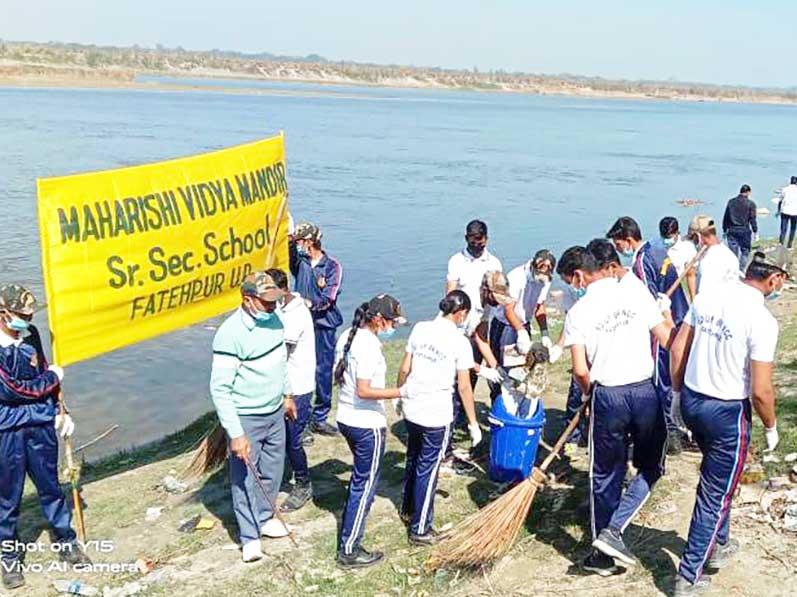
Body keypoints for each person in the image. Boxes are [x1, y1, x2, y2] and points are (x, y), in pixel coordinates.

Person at [669, 251, 786, 596]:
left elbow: (677, 349)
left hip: (692, 399)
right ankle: (688, 576)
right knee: (715, 493)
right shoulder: (762, 320)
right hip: (726, 412)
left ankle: (719, 543)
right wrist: (771, 426)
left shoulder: (708, 295)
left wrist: (676, 396)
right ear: (774, 279)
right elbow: (761, 390)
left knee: (721, 479)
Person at [557, 247, 675, 576]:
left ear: (579, 276)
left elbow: (580, 370)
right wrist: (665, 313)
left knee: (604, 473)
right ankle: (616, 530)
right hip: (643, 392)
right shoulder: (635, 294)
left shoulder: (578, 312)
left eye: (571, 281)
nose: (573, 287)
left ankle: (603, 550)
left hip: (607, 395)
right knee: (652, 465)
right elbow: (668, 340)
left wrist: (587, 395)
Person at [0, 284, 91, 590]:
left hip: (40, 426)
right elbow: (12, 391)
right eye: (20, 315)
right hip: (7, 431)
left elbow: (42, 380)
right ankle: (9, 559)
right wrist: (52, 377)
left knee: (51, 486)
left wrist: (59, 411)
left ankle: (66, 541)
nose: (26, 319)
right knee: (7, 498)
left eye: (29, 314)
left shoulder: (31, 335)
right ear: (4, 313)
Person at [209, 272, 296, 563]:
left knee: (273, 469)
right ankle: (249, 537)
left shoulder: (273, 319)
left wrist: (287, 395)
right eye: (267, 302)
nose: (273, 307)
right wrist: (236, 433)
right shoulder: (230, 334)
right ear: (248, 300)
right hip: (247, 415)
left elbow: (280, 361)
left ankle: (264, 516)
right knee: (245, 477)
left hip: (274, 410)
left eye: (275, 301)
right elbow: (220, 389)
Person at [396, 290, 483, 545]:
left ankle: (408, 509)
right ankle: (421, 528)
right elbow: (464, 387)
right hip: (437, 414)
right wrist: (473, 423)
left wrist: (399, 396)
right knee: (429, 468)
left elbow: (404, 367)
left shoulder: (421, 328)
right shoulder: (459, 342)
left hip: (413, 409)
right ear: (461, 313)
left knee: (413, 458)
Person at [333, 294, 407, 569]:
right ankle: (349, 549)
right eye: (391, 322)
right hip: (366, 425)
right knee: (365, 485)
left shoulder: (347, 337)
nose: (393, 328)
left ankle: (349, 542)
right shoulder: (368, 347)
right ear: (377, 319)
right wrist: (401, 392)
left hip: (345, 418)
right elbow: (364, 390)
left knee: (360, 479)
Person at [607, 217, 687, 453]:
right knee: (674, 375)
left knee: (661, 378)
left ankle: (670, 435)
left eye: (618, 243)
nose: (618, 249)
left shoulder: (641, 261)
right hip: (679, 318)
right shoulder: (658, 250)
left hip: (661, 324)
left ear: (628, 239)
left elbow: (646, 300)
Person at [268, 268, 316, 513]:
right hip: (281, 383)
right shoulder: (278, 308)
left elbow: (279, 349)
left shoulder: (297, 314)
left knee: (293, 440)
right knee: (280, 438)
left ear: (283, 290)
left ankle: (303, 482)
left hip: (297, 386)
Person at [290, 221, 344, 437]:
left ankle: (320, 417)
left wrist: (307, 304)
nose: (298, 245)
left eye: (300, 241)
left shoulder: (332, 267)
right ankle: (300, 416)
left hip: (323, 325)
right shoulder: (300, 263)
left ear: (310, 242)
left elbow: (328, 298)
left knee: (322, 370)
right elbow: (288, 252)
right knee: (297, 369)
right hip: (300, 325)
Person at [445, 219, 503, 381]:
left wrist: (496, 368)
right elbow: (450, 293)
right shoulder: (457, 261)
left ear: (486, 239)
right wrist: (484, 370)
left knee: (470, 378)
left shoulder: (494, 264)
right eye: (473, 242)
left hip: (477, 322)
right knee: (455, 376)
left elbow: (482, 337)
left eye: (481, 242)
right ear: (466, 239)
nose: (477, 246)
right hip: (457, 326)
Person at [689, 215, 740, 293]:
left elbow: (703, 296)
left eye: (693, 239)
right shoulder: (729, 254)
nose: (693, 243)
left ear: (698, 236)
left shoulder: (709, 262)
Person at [659, 216, 698, 299]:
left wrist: (693, 299)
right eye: (664, 237)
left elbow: (691, 275)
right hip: (659, 289)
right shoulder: (655, 246)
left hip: (677, 290)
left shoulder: (687, 248)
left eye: (669, 237)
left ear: (677, 233)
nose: (666, 240)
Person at [722, 184, 758, 269]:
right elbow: (752, 219)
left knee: (733, 253)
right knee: (745, 251)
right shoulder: (751, 204)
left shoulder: (731, 202)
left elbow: (726, 216)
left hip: (732, 229)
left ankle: (733, 269)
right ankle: (741, 270)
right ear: (748, 192)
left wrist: (724, 229)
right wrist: (755, 230)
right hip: (744, 230)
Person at [776, 176, 797, 249]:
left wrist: (778, 211)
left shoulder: (784, 189)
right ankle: (789, 245)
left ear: (790, 181)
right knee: (793, 228)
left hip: (785, 211)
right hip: (795, 212)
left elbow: (780, 200)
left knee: (783, 228)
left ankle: (781, 243)